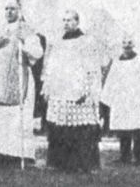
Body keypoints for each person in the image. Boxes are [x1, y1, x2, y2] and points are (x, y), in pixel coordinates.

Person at [0, 0, 43, 168]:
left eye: (12, 9)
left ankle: (18, 153)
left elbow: (38, 53)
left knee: (17, 117)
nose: (9, 12)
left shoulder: (26, 30)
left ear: (19, 11)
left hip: (19, 76)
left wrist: (25, 43)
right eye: (6, 9)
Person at [42, 10, 102, 173]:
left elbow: (92, 68)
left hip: (79, 90)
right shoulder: (57, 42)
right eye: (64, 20)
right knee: (59, 125)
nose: (66, 23)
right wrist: (47, 87)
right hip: (59, 90)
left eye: (69, 20)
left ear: (77, 21)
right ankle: (60, 163)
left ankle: (84, 164)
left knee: (81, 127)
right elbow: (50, 67)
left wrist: (87, 89)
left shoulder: (86, 41)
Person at [101, 36, 140, 165]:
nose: (126, 46)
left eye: (129, 43)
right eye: (124, 43)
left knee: (139, 128)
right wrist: (108, 97)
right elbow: (111, 81)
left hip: (137, 99)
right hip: (121, 100)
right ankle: (124, 156)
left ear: (133, 45)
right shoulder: (116, 62)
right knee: (123, 129)